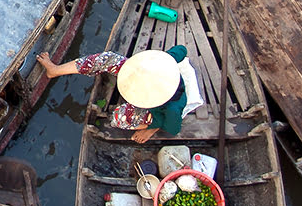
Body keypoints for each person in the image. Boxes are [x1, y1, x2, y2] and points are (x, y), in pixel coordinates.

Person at [36, 46, 202, 143]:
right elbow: (181, 49)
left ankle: (145, 121)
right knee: (108, 58)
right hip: (141, 72)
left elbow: (173, 128)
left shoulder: (172, 107)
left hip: (156, 113)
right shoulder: (167, 62)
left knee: (118, 118)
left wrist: (151, 129)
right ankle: (56, 70)